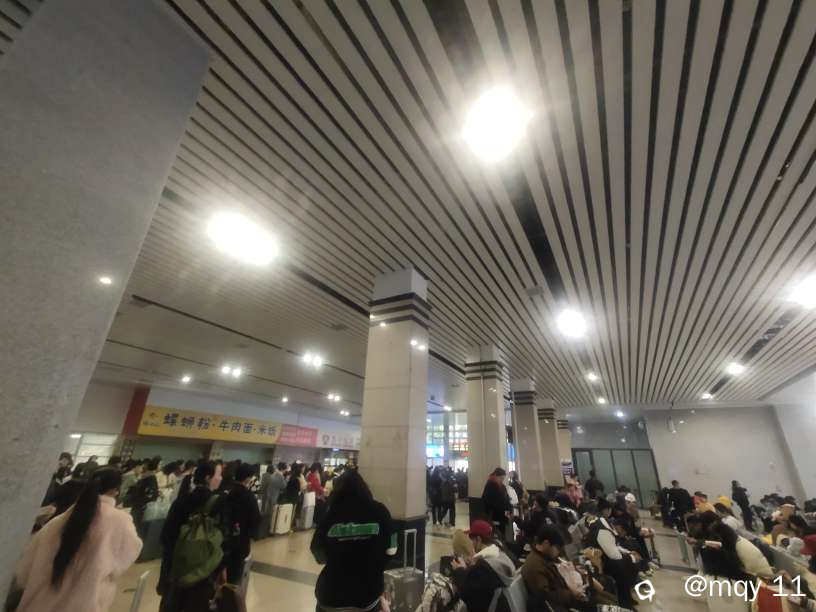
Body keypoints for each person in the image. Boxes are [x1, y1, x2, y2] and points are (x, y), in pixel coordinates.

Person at [14, 468, 142, 612]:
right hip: (85, 602)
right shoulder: (120, 521)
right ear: (115, 490)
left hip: (40, 602)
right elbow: (127, 555)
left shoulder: (63, 518)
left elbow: (26, 568)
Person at [311, 470, 396, 612]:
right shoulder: (380, 511)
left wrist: (336, 558)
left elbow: (316, 549)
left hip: (330, 594)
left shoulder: (331, 512)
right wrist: (375, 564)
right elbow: (392, 549)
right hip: (367, 594)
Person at [158, 461, 224, 612]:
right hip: (202, 572)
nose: (220, 478)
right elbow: (220, 542)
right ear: (208, 478)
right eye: (218, 474)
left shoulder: (181, 500)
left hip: (176, 569)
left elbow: (166, 536)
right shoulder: (218, 504)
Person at [450, 520, 515, 612]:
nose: (470, 544)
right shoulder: (499, 556)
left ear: (478, 540)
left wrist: (459, 570)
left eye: (471, 539)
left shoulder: (483, 568)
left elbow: (468, 595)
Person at [522, 525, 590, 612]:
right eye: (558, 548)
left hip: (566, 601)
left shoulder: (544, 558)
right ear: (546, 544)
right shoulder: (534, 566)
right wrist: (572, 594)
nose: (559, 552)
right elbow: (547, 597)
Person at [219, 462, 261, 583]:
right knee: (235, 575)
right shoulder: (248, 496)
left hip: (222, 539)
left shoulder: (226, 491)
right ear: (247, 478)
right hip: (240, 541)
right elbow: (256, 519)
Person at [130, 458, 160, 539]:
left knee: (134, 525)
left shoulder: (144, 475)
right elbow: (152, 493)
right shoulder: (151, 477)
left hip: (137, 504)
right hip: (143, 506)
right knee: (139, 528)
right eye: (160, 464)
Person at [481, 467, 512, 539]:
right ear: (496, 476)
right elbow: (491, 502)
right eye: (501, 478)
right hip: (495, 515)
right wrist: (505, 509)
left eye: (503, 478)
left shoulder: (502, 486)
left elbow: (506, 500)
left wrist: (509, 512)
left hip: (502, 515)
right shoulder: (490, 486)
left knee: (502, 533)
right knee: (497, 534)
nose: (502, 480)